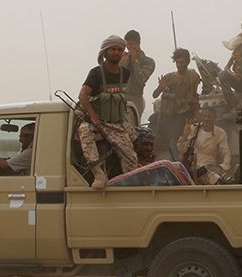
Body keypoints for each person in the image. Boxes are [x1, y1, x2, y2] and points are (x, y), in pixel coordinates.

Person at [78, 36, 140, 189]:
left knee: (131, 158)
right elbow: (83, 96)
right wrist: (93, 118)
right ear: (105, 52)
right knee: (85, 132)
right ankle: (98, 173)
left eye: (119, 49)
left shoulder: (125, 73)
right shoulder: (96, 73)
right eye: (113, 49)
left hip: (117, 124)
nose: (116, 52)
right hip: (98, 123)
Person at [152, 48, 201, 162]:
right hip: (168, 113)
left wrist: (197, 114)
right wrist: (161, 87)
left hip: (183, 113)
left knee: (175, 139)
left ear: (187, 62)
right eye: (178, 62)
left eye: (182, 62)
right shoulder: (170, 77)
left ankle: (173, 161)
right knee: (157, 134)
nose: (179, 65)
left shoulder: (193, 76)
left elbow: (194, 96)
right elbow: (155, 95)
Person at [177, 107, 231, 184]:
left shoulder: (220, 133)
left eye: (209, 116)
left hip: (209, 167)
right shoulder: (193, 129)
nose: (206, 119)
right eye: (204, 116)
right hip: (191, 165)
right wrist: (185, 135)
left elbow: (225, 152)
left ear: (215, 118)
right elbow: (181, 149)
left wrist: (224, 167)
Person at [120, 30, 156, 120]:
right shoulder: (124, 59)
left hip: (135, 100)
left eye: (131, 44)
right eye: (127, 45)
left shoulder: (148, 62)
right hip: (121, 99)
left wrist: (134, 62)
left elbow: (141, 79)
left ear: (139, 43)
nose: (129, 47)